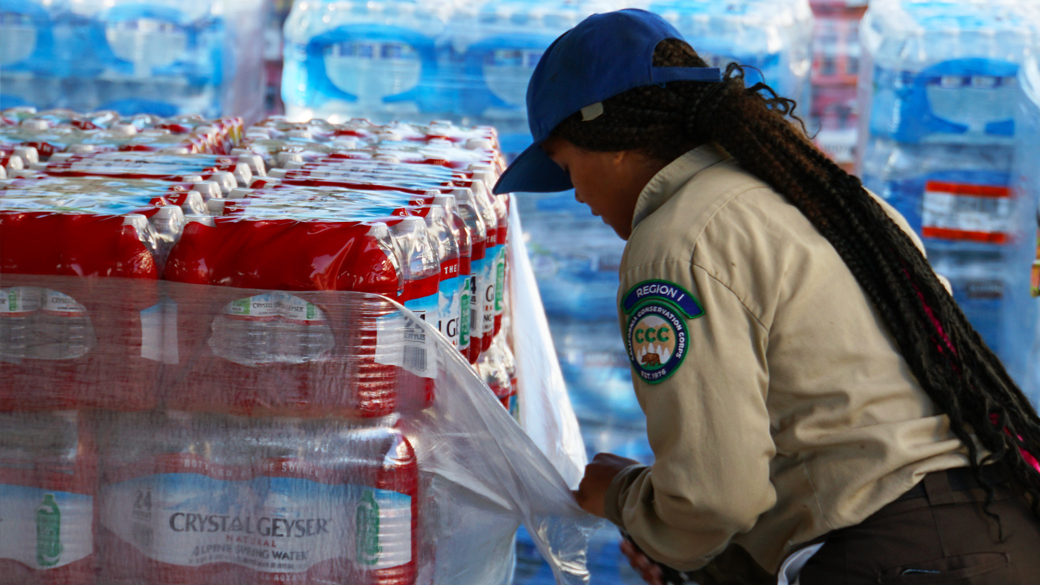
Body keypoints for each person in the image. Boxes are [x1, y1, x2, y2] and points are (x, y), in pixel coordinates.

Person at [492, 9, 1040, 585]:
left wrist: (624, 498)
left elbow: (714, 497)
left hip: (899, 559)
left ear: (612, 143)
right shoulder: (828, 201)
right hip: (1000, 533)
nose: (576, 194)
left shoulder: (674, 244)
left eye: (566, 166)